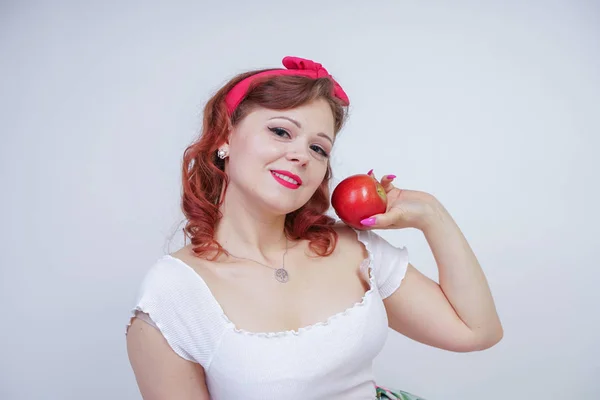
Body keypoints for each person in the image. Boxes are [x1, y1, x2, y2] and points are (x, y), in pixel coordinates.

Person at [125, 56, 503, 400]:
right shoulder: (173, 294)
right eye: (281, 131)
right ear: (224, 137)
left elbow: (476, 331)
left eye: (319, 148)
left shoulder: (352, 248)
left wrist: (431, 215)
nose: (301, 156)